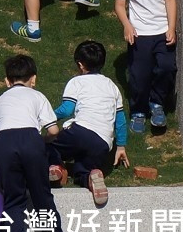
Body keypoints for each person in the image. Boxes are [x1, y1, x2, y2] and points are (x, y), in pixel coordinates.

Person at [0, 55, 68, 232]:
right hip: (31, 140)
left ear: (7, 81)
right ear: (33, 79)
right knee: (42, 196)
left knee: (13, 199)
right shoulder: (38, 96)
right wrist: (42, 141)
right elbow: (53, 130)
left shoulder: (1, 100)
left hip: (4, 143)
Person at [112, 0, 178, 134]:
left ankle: (157, 103)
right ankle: (138, 111)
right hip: (139, 34)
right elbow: (119, 5)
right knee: (139, 75)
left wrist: (172, 27)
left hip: (162, 31)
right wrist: (127, 25)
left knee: (167, 68)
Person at [47, 40, 128, 207]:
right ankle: (90, 177)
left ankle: (55, 167)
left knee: (49, 146)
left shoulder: (77, 82)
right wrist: (120, 147)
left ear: (80, 64)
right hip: (103, 143)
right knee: (82, 169)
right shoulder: (112, 86)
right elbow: (120, 120)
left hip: (79, 132)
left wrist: (46, 117)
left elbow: (67, 110)